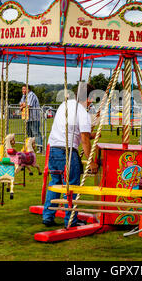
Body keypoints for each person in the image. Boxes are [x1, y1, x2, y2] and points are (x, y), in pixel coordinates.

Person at [42, 83, 99, 228]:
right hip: (67, 152)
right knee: (72, 186)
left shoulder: (64, 105)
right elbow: (85, 140)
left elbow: (73, 131)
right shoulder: (82, 112)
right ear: (90, 98)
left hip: (54, 150)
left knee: (55, 183)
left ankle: (48, 216)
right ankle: (71, 220)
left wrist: (90, 134)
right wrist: (91, 162)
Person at [19, 85, 42, 150]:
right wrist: (23, 105)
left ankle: (40, 147)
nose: (23, 91)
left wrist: (23, 105)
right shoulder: (24, 96)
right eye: (22, 89)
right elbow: (20, 103)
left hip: (34, 117)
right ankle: (31, 146)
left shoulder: (31, 95)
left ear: (28, 90)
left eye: (24, 89)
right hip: (27, 117)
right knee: (29, 133)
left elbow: (28, 105)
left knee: (36, 132)